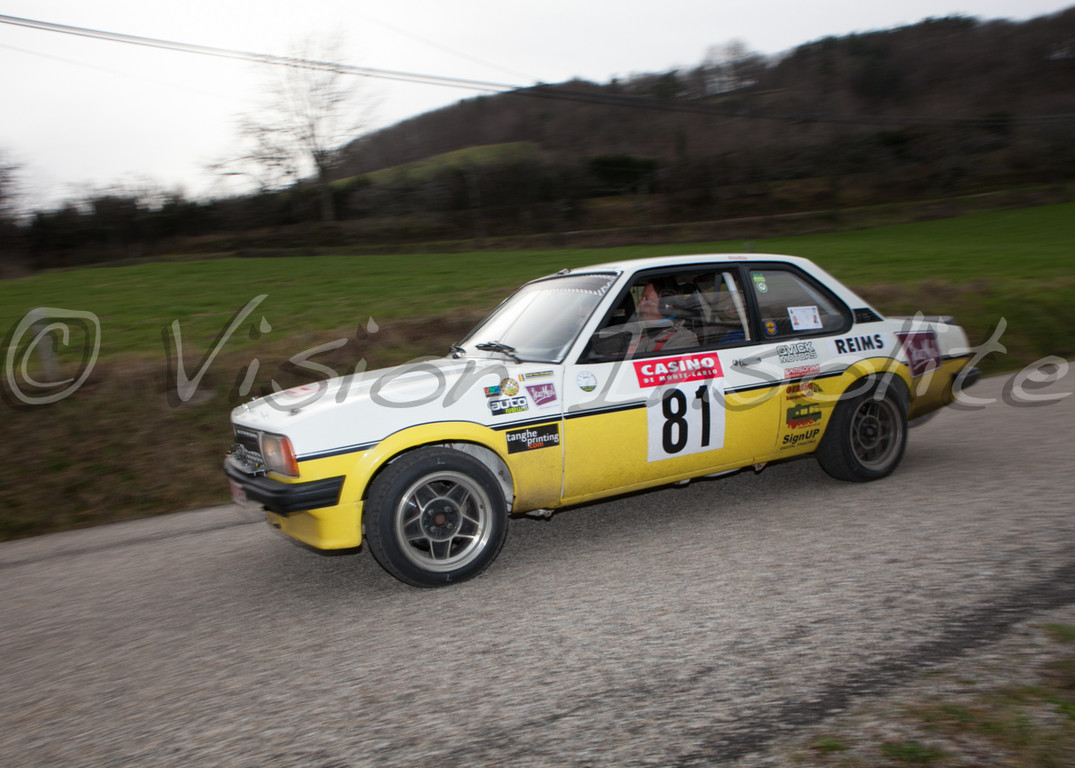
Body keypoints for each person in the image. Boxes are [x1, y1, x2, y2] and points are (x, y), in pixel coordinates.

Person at [628, 281, 697, 355]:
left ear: (666, 306)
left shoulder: (682, 339)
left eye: (647, 299)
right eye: (642, 298)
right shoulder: (644, 334)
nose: (639, 304)